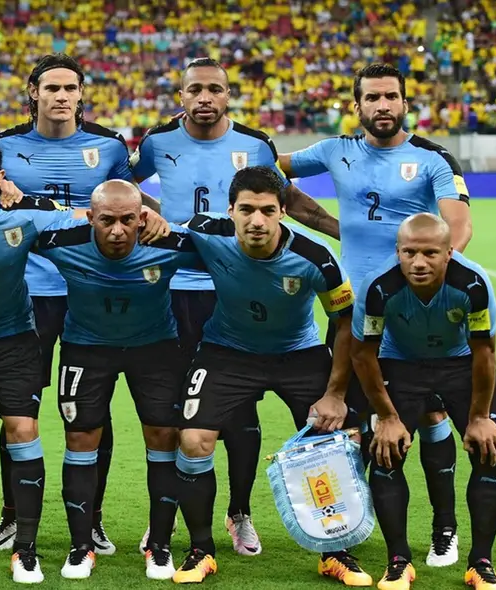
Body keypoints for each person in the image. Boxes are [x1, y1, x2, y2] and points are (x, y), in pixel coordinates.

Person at [0, 131, 168, 583]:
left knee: (22, 430)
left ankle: (26, 549)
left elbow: (96, 217)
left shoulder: (31, 217)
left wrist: (156, 220)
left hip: (15, 339)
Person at [130, 57, 341, 557]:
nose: (205, 98)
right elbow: (126, 189)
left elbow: (286, 200)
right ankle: (166, 518)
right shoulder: (156, 143)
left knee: (242, 414)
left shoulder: (256, 145)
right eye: (195, 90)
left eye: (214, 90)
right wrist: (159, 217)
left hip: (243, 284)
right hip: (180, 287)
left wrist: (344, 233)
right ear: (180, 95)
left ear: (229, 95)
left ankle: (239, 513)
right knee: (179, 413)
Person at [280, 63, 472, 567]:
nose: (382, 105)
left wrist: (420, 280)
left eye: (391, 97)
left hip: (414, 315)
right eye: (372, 98)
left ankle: (444, 527)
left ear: (405, 103)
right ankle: (352, 525)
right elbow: (269, 169)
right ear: (357, 105)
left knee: (430, 418)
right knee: (355, 424)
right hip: (353, 314)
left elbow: (458, 228)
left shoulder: (432, 158)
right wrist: (318, 219)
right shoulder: (333, 151)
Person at [170, 166, 369, 586]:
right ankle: (201, 549)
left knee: (337, 441)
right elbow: (160, 233)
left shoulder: (316, 258)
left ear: (282, 212)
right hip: (227, 351)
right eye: (246, 210)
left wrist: (335, 393)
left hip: (297, 353)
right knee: (193, 439)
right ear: (231, 210)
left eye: (266, 210)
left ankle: (335, 552)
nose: (256, 221)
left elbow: (347, 322)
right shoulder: (207, 232)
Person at [0, 52, 151, 556]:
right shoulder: (5, 146)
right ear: (33, 92)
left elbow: (126, 208)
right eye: (51, 88)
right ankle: (12, 515)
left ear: (82, 94)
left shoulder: (108, 147)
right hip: (28, 293)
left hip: (92, 292)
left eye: (70, 88)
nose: (61, 96)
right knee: (19, 411)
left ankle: (93, 518)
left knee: (92, 412)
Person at [33, 180, 197, 580]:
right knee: (81, 439)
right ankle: (81, 547)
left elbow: (226, 252)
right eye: (107, 221)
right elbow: (7, 229)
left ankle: (158, 547)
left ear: (143, 218)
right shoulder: (60, 240)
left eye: (129, 220)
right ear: (90, 218)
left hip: (155, 350)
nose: (118, 231)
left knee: (163, 438)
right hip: (85, 350)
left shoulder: (169, 243)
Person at [351, 213, 496, 590]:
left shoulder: (472, 284)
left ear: (449, 253)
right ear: (397, 252)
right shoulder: (377, 287)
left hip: (461, 367)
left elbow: (485, 353)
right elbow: (363, 355)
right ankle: (398, 561)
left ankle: (480, 563)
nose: (419, 263)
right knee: (386, 454)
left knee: (489, 450)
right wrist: (387, 417)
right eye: (409, 253)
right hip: (400, 366)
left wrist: (480, 416)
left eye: (430, 253)